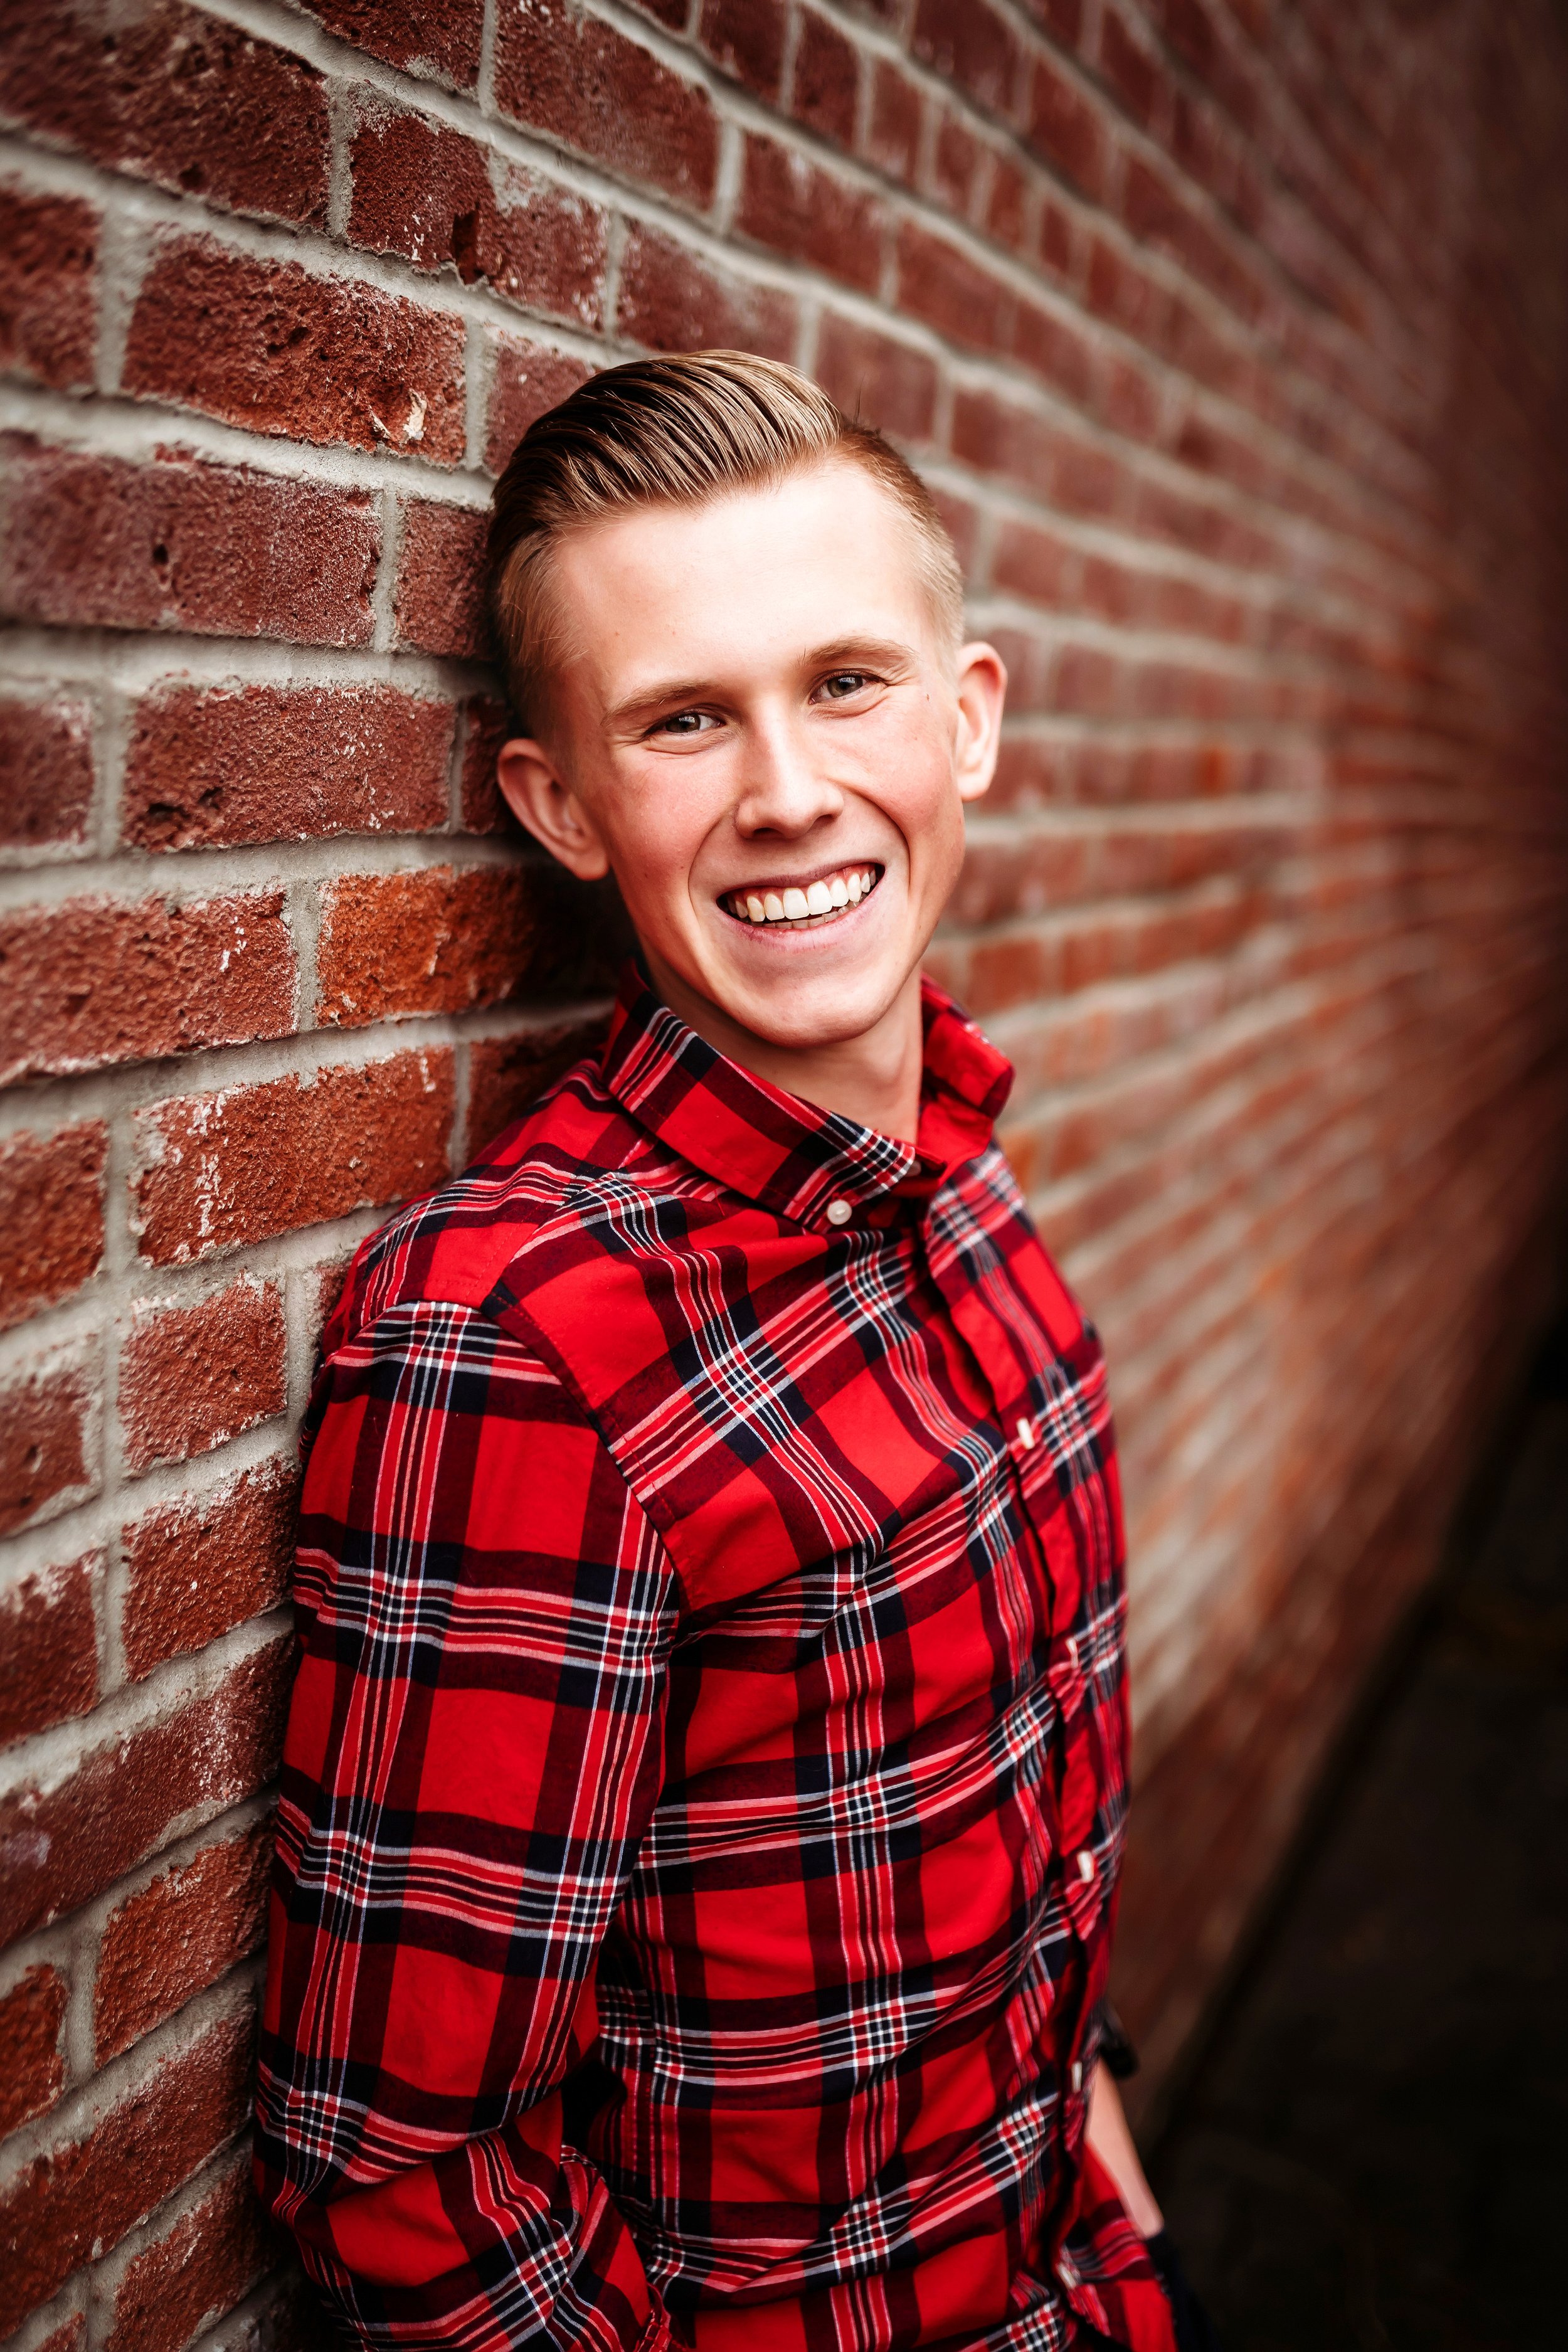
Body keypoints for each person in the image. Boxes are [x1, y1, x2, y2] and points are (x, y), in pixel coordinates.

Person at [256, 352, 1217, 2352]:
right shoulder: (524, 1345)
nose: (786, 788)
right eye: (685, 719)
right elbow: (400, 2177)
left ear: (968, 724)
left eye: (845, 682)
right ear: (565, 807)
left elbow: (1015, 1821)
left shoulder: (966, 1189)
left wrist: (1113, 2202)